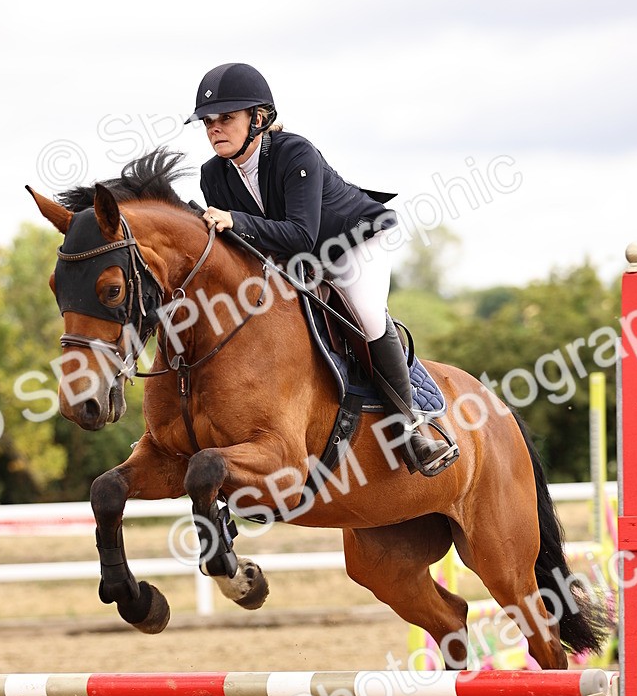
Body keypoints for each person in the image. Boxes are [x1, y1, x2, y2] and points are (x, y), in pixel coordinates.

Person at [186, 62, 458, 476]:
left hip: (351, 243)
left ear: (258, 119)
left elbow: (300, 234)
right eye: (208, 122)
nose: (214, 129)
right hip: (293, 257)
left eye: (226, 118)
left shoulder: (296, 152)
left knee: (366, 316)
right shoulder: (213, 174)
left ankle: (411, 428)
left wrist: (235, 221)